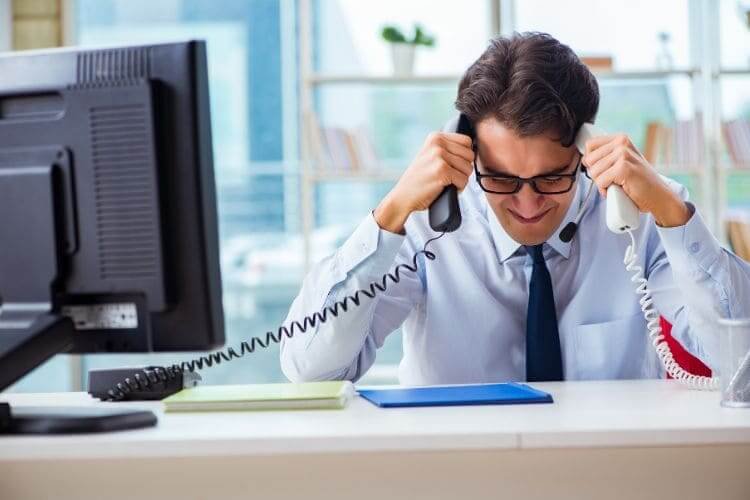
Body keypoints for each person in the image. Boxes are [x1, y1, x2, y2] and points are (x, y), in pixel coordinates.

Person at [280, 32, 750, 384]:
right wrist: (389, 216)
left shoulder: (637, 220)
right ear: (469, 152)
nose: (527, 203)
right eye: (502, 178)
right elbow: (309, 369)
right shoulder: (426, 227)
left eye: (550, 177)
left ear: (585, 153)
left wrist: (674, 217)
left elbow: (741, 363)